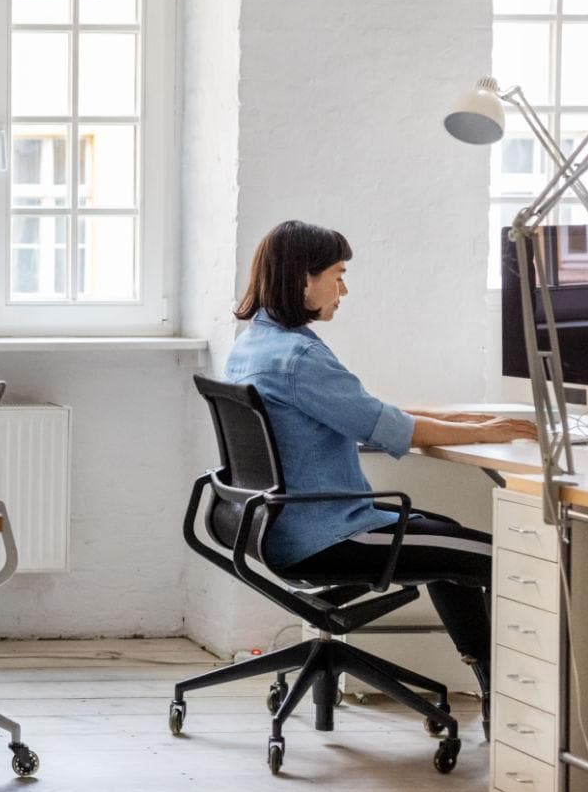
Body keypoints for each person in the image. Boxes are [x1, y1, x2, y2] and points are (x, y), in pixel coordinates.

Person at [222, 220, 532, 711]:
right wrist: (491, 433)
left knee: (447, 537)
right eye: (338, 275)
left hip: (274, 526)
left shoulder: (256, 343)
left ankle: (493, 685)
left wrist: (465, 420)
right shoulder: (299, 356)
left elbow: (367, 410)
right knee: (504, 559)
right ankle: (512, 697)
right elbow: (390, 429)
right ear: (304, 279)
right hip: (329, 535)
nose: (343, 290)